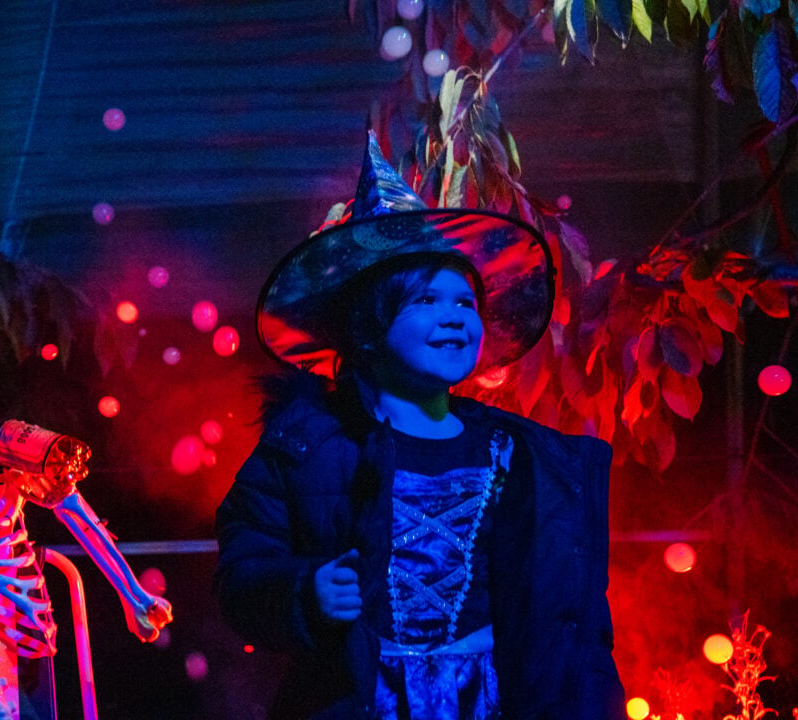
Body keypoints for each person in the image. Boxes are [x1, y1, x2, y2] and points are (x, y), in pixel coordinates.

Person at [214, 132, 625, 719]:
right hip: (360, 701)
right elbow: (242, 573)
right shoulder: (308, 449)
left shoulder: (523, 455)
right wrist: (303, 591)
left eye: (465, 304)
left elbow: (573, 619)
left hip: (493, 701)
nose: (456, 318)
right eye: (427, 302)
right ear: (369, 326)